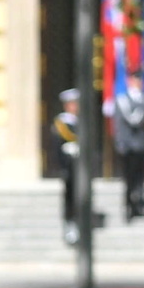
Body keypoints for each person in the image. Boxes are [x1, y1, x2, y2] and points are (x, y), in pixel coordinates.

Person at [112, 81, 144, 223]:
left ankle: (138, 205)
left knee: (141, 178)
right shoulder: (122, 101)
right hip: (128, 147)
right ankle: (128, 207)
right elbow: (118, 125)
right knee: (129, 179)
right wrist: (120, 144)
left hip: (142, 146)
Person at [53, 88, 85, 248]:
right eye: (72, 104)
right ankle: (70, 225)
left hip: (81, 168)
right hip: (69, 168)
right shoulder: (62, 123)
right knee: (70, 198)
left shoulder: (80, 121)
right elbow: (57, 146)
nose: (75, 107)